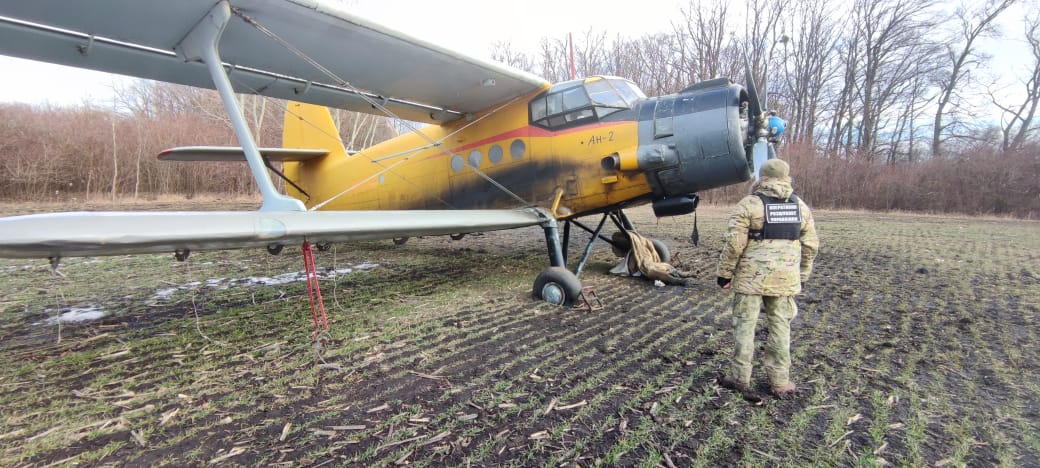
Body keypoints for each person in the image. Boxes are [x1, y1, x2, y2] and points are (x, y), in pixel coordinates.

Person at [715, 158, 819, 400]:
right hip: (785, 280)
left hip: (750, 278)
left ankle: (740, 377)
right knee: (781, 327)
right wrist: (801, 275)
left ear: (761, 178)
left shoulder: (748, 205)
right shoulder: (800, 207)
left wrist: (724, 274)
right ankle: (780, 381)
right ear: (786, 178)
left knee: (744, 325)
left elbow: (734, 244)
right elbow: (811, 246)